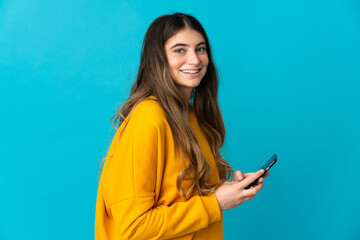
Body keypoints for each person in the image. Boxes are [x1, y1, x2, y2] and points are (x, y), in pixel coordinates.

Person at [95, 12, 268, 240]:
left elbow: (182, 198)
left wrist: (227, 191)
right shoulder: (149, 118)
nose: (195, 60)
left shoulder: (189, 116)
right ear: (157, 58)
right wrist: (215, 203)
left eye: (200, 49)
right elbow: (133, 228)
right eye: (179, 50)